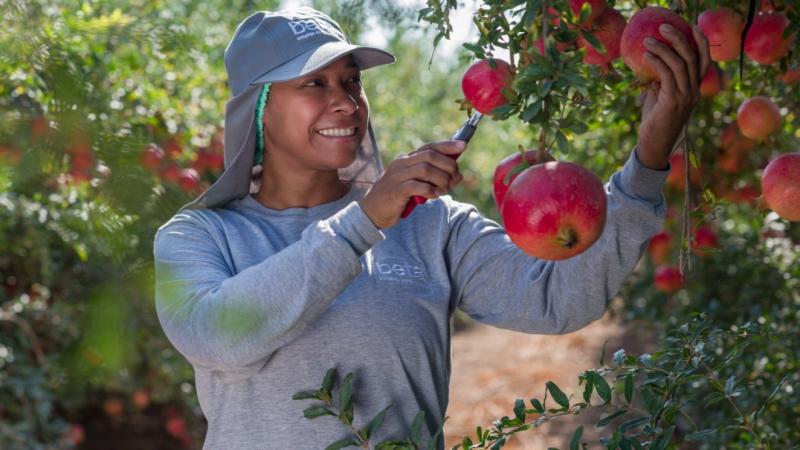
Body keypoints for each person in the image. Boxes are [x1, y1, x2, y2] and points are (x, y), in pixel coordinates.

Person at [153, 6, 710, 449]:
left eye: (351, 80)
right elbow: (217, 335)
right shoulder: (198, 237)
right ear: (258, 109)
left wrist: (647, 162)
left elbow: (557, 299)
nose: (345, 102)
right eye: (314, 84)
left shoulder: (429, 224)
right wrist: (365, 221)